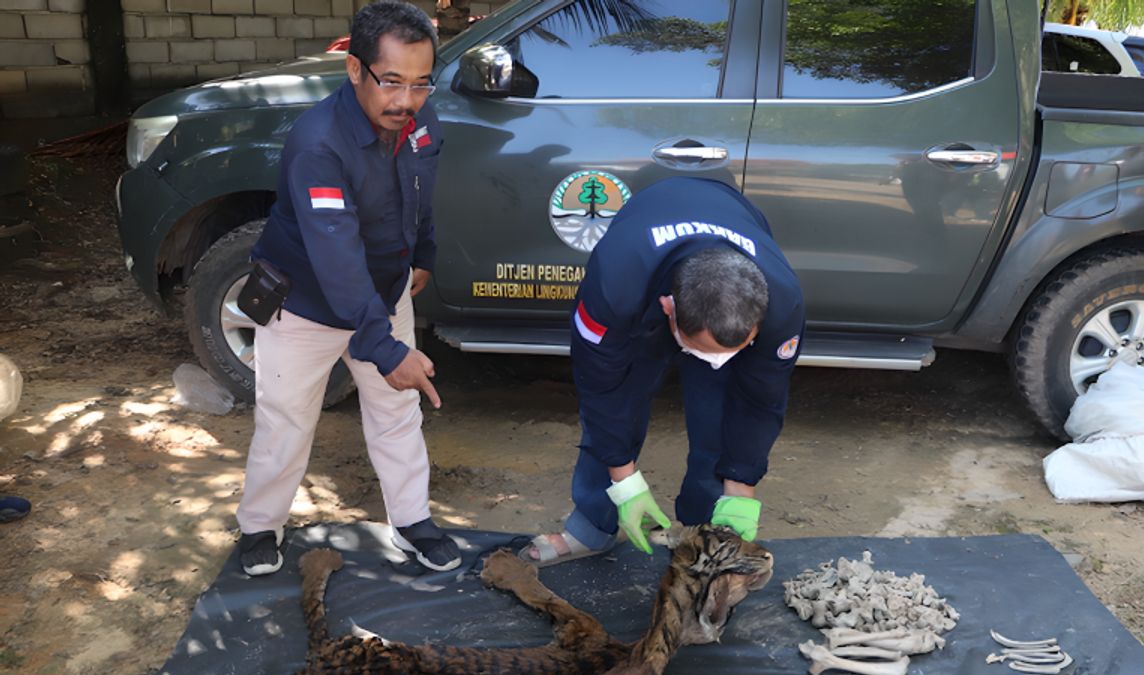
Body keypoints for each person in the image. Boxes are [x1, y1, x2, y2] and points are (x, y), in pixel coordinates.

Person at [235, 0, 459, 576]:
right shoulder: (318, 144)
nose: (405, 101)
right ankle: (259, 528)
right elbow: (334, 255)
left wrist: (423, 254)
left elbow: (422, 195)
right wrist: (384, 348)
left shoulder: (420, 123)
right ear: (355, 70)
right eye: (391, 82)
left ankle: (412, 520)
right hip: (305, 304)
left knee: (396, 412)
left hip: (382, 294)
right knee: (286, 420)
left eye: (420, 84)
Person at [522, 177, 806, 565]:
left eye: (732, 352)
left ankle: (702, 537)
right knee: (617, 411)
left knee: (717, 419)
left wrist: (742, 484)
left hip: (726, 219)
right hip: (645, 274)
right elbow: (603, 392)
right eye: (706, 350)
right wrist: (625, 485)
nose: (718, 361)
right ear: (668, 309)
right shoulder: (615, 286)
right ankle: (591, 527)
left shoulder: (783, 301)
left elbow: (763, 397)